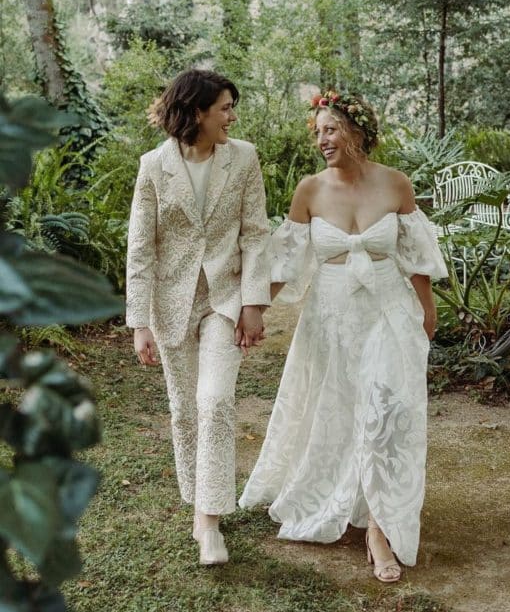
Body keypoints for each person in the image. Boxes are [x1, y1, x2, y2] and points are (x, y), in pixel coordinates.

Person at [239, 90, 448, 582]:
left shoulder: (396, 184)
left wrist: (426, 308)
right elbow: (286, 261)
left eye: (329, 128)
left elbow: (416, 257)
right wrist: (253, 309)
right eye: (317, 131)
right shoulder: (309, 190)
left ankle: (379, 527)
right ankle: (344, 496)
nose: (321, 139)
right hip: (331, 319)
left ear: (357, 131)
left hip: (387, 311)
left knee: (388, 410)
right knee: (340, 410)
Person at [126, 68, 271, 565]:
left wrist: (253, 302)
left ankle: (210, 522)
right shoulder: (153, 166)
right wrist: (140, 322)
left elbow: (255, 233)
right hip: (171, 303)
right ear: (196, 112)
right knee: (185, 410)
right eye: (225, 108)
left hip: (225, 299)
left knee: (214, 402)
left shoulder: (244, 158)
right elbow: (140, 250)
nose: (232, 116)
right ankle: (197, 507)